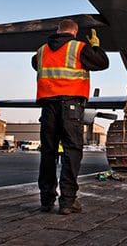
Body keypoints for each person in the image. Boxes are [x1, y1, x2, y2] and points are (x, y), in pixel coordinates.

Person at [32, 19, 109, 215]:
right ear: (74, 31)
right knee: (72, 152)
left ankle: (46, 200)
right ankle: (67, 201)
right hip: (71, 106)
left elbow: (36, 65)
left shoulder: (41, 51)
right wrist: (96, 46)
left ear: (58, 30)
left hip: (48, 107)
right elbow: (102, 63)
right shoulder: (79, 48)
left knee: (48, 152)